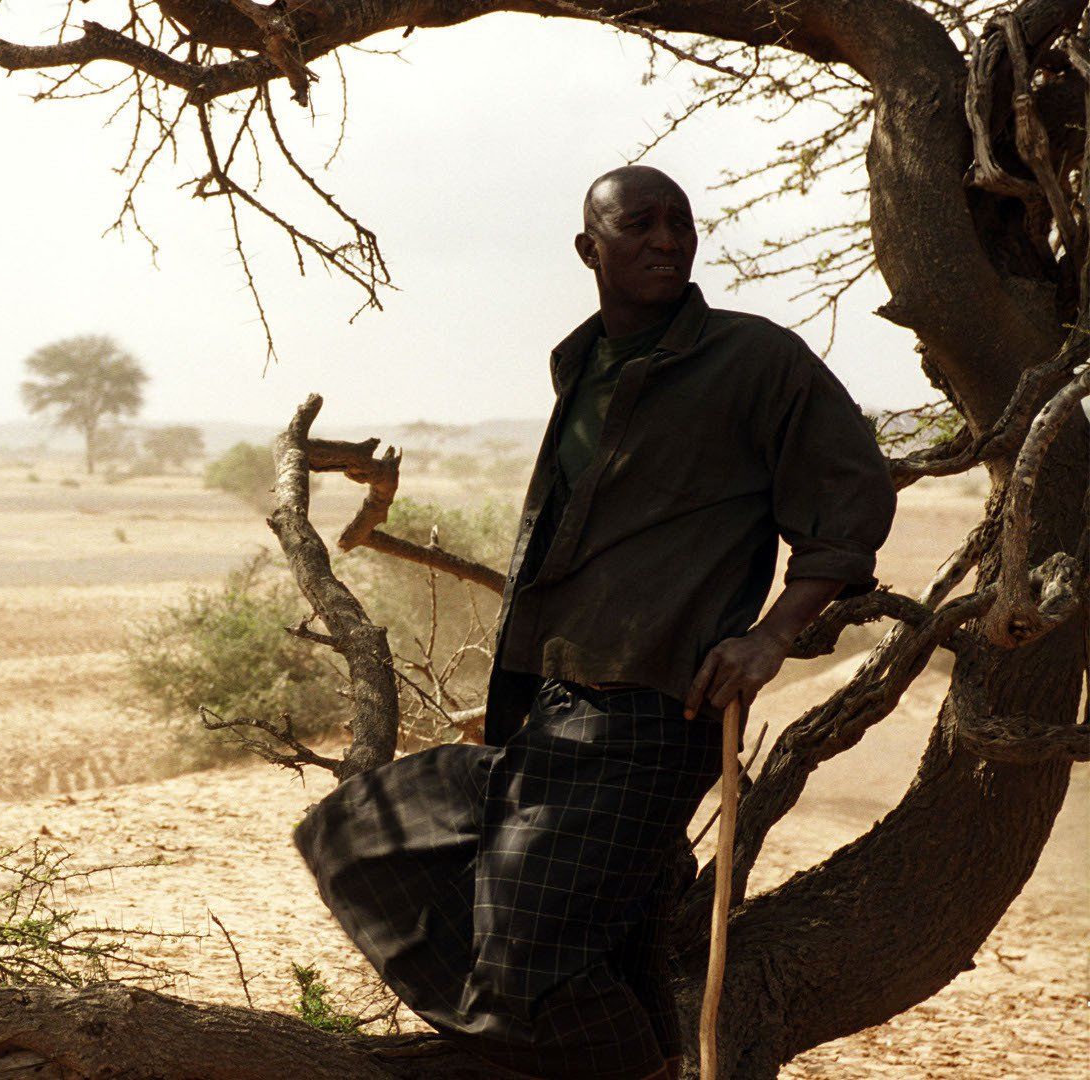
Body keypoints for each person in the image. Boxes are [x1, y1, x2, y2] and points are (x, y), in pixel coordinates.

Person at [293, 165, 896, 1080]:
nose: (665, 239)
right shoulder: (581, 362)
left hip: (658, 713)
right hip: (552, 713)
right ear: (590, 250)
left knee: (527, 963)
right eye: (640, 224)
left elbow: (850, 507)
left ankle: (610, 1058)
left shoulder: (754, 360)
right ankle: (587, 1045)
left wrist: (769, 638)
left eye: (679, 223)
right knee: (356, 835)